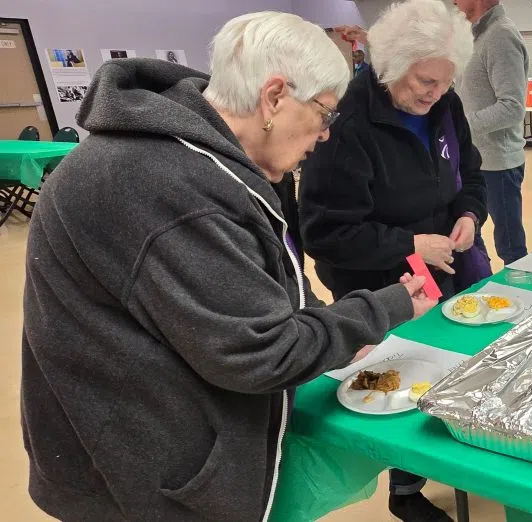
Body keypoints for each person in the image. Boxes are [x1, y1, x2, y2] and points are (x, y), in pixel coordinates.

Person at [20, 12, 436, 521]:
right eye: (325, 114)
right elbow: (259, 353)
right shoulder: (165, 184)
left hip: (145, 439)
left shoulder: (213, 155)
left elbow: (270, 274)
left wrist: (323, 319)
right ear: (275, 97)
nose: (326, 135)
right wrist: (381, 309)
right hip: (135, 474)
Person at [298, 1, 487, 520]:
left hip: (450, 263)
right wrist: (410, 243)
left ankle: (455, 452)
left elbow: (469, 172)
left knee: (459, 364)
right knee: (402, 384)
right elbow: (326, 234)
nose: (435, 93)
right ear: (391, 67)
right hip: (382, 283)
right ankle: (405, 491)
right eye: (425, 81)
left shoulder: (445, 105)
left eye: (444, 82)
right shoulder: (348, 125)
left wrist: (470, 213)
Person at [453, 0, 530, 265]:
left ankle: (525, 300)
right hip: (472, 160)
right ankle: (484, 290)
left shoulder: (500, 35)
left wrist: (460, 126)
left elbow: (512, 108)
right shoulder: (474, 36)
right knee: (468, 234)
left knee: (510, 247)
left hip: (498, 165)